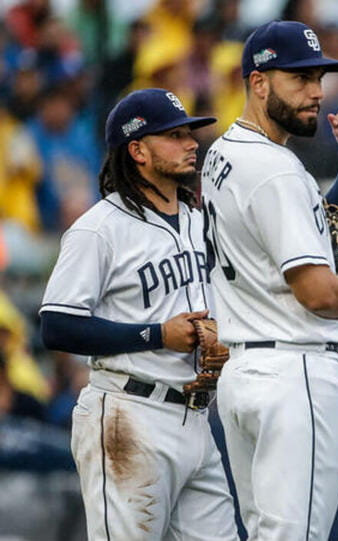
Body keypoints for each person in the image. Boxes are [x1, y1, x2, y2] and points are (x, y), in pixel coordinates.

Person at [201, 20, 338, 540]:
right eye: (299, 79)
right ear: (258, 83)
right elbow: (320, 293)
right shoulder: (275, 170)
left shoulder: (224, 153)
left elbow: (322, 236)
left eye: (318, 78)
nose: (316, 93)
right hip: (293, 373)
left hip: (247, 373)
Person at [39, 88, 238, 540]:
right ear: (137, 149)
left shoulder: (195, 219)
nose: (191, 143)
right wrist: (156, 335)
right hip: (129, 413)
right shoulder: (98, 228)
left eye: (190, 133)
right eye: (174, 135)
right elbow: (57, 324)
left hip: (196, 416)